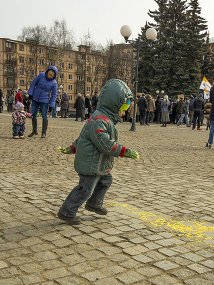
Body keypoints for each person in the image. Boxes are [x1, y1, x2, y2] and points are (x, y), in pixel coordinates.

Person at [56, 79, 140, 225]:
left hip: (98, 164)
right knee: (85, 189)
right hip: (91, 164)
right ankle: (67, 211)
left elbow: (82, 138)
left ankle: (94, 203)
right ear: (114, 104)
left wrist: (72, 148)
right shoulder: (99, 120)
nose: (125, 111)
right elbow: (104, 144)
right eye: (124, 106)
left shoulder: (104, 119)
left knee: (106, 180)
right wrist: (124, 151)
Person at [27, 65, 59, 138]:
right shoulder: (41, 75)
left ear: (54, 76)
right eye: (49, 74)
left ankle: (43, 132)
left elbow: (54, 95)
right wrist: (31, 93)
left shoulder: (54, 83)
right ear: (47, 72)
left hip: (44, 100)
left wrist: (51, 105)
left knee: (44, 116)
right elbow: (33, 83)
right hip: (35, 98)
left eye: (52, 75)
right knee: (33, 115)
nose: (49, 76)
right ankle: (34, 130)